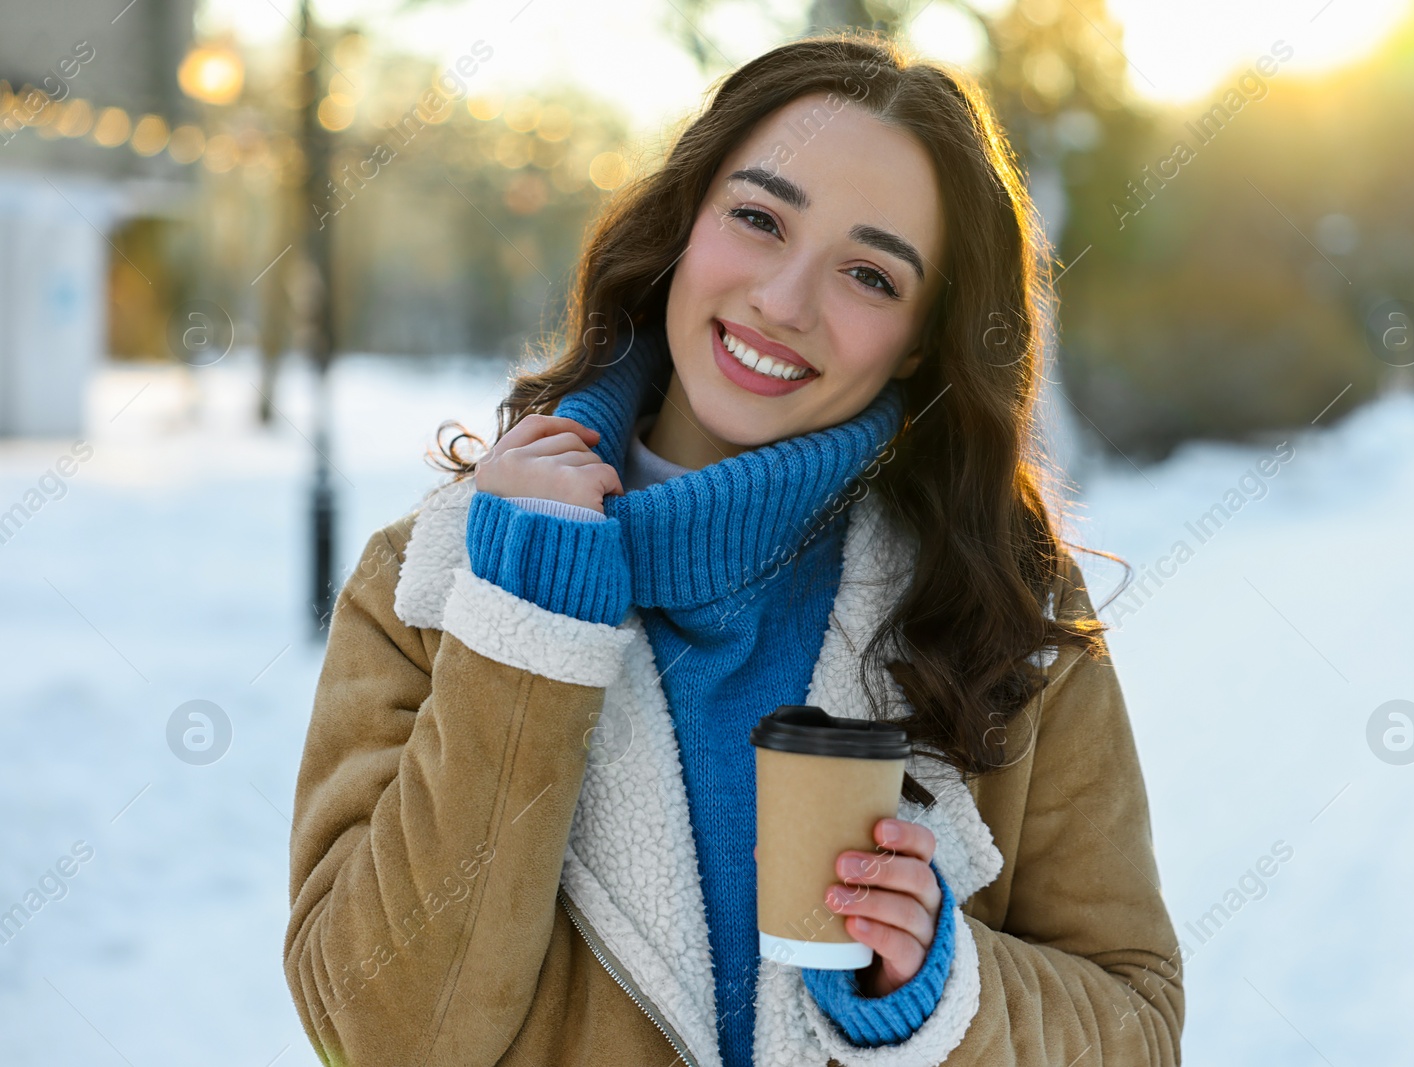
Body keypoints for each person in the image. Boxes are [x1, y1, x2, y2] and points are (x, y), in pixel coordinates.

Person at [283, 31, 1183, 1067]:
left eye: (868, 275)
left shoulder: (998, 606)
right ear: (683, 226)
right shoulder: (435, 580)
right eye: (758, 219)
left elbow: (1135, 1024)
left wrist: (935, 984)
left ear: (926, 336)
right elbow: (383, 1034)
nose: (783, 301)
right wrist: (523, 625)